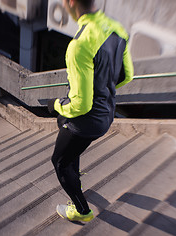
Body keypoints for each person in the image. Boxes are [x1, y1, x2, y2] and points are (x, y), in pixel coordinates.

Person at [47, 0, 134, 222]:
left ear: (71, 2)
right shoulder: (117, 28)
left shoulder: (80, 45)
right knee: (65, 133)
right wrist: (103, 89)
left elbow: (81, 105)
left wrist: (54, 104)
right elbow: (127, 76)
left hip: (87, 122)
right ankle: (76, 179)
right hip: (107, 114)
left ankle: (82, 211)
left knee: (60, 161)